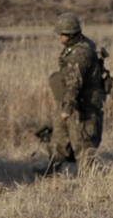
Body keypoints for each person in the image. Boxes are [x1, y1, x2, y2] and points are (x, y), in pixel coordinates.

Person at [41, 12, 107, 176]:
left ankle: (89, 178)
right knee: (59, 137)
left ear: (70, 34)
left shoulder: (80, 54)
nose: (58, 37)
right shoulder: (74, 48)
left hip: (83, 104)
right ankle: (52, 170)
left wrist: (67, 107)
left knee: (83, 143)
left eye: (61, 34)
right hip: (72, 101)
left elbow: (74, 83)